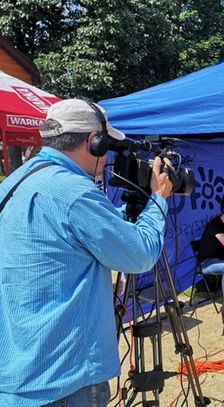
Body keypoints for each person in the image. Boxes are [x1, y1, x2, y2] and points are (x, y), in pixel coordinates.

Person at [0, 99, 173, 406]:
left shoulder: (13, 183)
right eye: (107, 147)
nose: (107, 158)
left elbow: (70, 233)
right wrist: (159, 198)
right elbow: (141, 255)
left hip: (18, 375)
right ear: (94, 142)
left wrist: (124, 214)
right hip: (66, 382)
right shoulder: (75, 192)